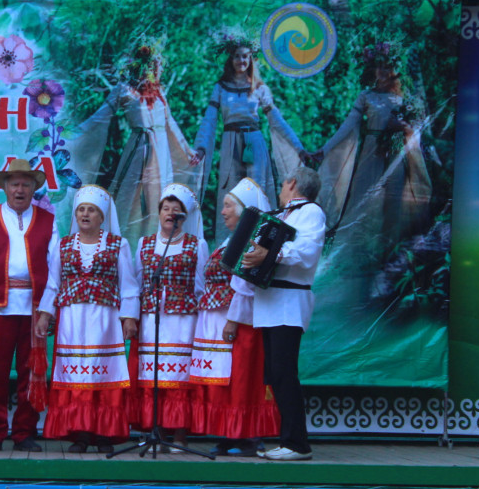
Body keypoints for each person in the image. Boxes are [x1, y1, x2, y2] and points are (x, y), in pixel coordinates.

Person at [224, 166, 326, 460]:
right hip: (270, 301)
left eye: (283, 183)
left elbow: (306, 252)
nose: (281, 189)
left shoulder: (311, 212)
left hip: (289, 302)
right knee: (276, 374)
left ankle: (297, 443)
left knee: (284, 372)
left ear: (293, 183)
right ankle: (289, 439)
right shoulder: (283, 216)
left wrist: (270, 254)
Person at [34, 185, 139, 454]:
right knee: (75, 374)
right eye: (81, 209)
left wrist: (129, 318)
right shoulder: (64, 245)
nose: (85, 214)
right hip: (72, 320)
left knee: (103, 373)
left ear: (102, 216)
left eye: (91, 210)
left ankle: (104, 432)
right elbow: (53, 284)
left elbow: (128, 285)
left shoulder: (119, 244)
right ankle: (79, 432)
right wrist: (45, 315)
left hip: (104, 320)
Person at [70, 41, 199, 244]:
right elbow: (100, 115)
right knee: (130, 195)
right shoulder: (125, 90)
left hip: (161, 150)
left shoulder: (159, 93)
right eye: (158, 65)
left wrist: (187, 150)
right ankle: (121, 243)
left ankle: (157, 243)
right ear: (148, 67)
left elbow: (169, 123)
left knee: (160, 196)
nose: (161, 70)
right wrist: (73, 133)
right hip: (140, 148)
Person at [0, 159, 60, 453]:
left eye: (26, 184)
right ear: (4, 187)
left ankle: (24, 432)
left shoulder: (48, 221)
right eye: (14, 184)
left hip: (33, 310)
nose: (20, 189)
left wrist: (47, 311)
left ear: (34, 188)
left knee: (30, 372)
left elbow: (55, 269)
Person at [313, 42, 432, 255]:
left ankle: (389, 249)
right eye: (379, 66)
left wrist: (404, 128)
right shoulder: (366, 96)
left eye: (388, 66)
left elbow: (417, 128)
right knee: (363, 197)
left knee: (393, 200)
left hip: (397, 154)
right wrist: (325, 149)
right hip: (371, 152)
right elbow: (348, 125)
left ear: (396, 69)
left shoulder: (405, 99)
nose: (384, 71)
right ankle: (354, 250)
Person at [189, 177, 280, 456]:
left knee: (244, 377)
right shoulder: (234, 239)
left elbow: (246, 285)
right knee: (228, 379)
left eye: (228, 206)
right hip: (224, 319)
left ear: (244, 210)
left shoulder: (253, 241)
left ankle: (249, 434)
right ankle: (231, 432)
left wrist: (233, 320)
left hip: (243, 321)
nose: (223, 211)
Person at [191, 35, 305, 241]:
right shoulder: (221, 87)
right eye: (237, 56)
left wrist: (299, 148)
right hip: (230, 142)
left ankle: (260, 242)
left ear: (251, 59)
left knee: (256, 190)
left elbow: (277, 121)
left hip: (254, 141)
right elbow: (209, 121)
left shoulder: (260, 88)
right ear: (230, 59)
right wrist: (200, 148)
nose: (241, 61)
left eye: (245, 57)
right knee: (231, 192)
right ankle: (227, 247)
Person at [130, 182, 208, 450]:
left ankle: (179, 435)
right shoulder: (145, 243)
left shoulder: (197, 244)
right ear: (159, 212)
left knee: (178, 378)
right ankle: (156, 432)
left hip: (182, 320)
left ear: (185, 215)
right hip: (152, 318)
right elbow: (137, 283)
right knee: (153, 378)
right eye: (166, 207)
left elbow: (200, 287)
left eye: (177, 209)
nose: (170, 213)